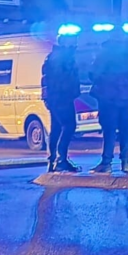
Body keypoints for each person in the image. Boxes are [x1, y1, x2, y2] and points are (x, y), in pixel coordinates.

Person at [90, 30, 128, 175]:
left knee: (110, 130)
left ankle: (106, 163)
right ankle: (125, 162)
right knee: (126, 129)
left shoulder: (106, 52)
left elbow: (95, 72)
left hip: (110, 97)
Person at [42, 34, 82, 173]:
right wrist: (72, 91)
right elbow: (64, 80)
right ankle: (61, 160)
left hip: (56, 98)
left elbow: (45, 79)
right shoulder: (62, 58)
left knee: (57, 129)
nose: (75, 44)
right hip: (62, 98)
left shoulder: (54, 56)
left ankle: (53, 160)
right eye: (73, 41)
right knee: (69, 126)